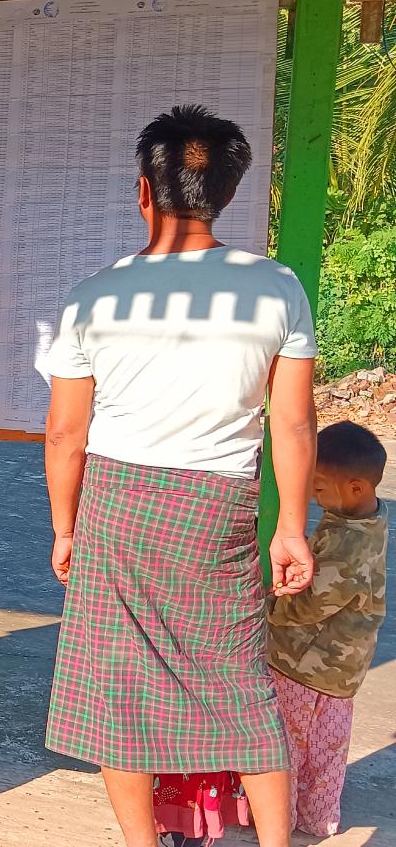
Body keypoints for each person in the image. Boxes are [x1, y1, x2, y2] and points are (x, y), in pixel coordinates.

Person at [42, 106, 319, 847]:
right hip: (220, 505)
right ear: (227, 192)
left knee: (119, 686)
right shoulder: (277, 288)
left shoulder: (95, 295)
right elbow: (293, 424)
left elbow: (66, 432)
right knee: (239, 683)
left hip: (118, 502)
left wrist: (66, 527)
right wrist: (291, 528)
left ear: (145, 190)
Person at [266, 421, 387, 839]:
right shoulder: (367, 518)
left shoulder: (348, 542)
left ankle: (277, 817)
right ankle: (319, 817)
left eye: (318, 488)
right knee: (326, 748)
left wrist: (265, 602)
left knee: (287, 744)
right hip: (342, 669)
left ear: (355, 487)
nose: (313, 497)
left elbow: (308, 606)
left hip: (304, 663)